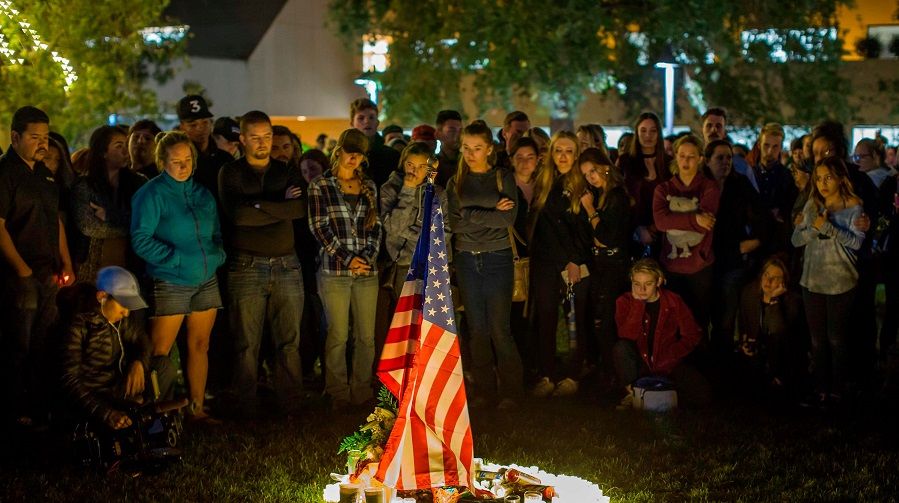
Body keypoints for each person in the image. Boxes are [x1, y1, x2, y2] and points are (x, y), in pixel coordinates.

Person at [130, 130, 226, 423]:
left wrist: (216, 254)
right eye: (175, 161)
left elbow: (215, 231)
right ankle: (155, 412)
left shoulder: (202, 193)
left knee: (200, 345)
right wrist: (174, 259)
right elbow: (140, 238)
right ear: (162, 162)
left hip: (206, 278)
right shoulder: (151, 194)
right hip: (170, 280)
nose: (183, 166)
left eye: (187, 160)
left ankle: (196, 408)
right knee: (161, 350)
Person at [218, 111, 306, 417]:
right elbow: (238, 217)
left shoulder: (286, 170)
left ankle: (291, 406)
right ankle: (246, 408)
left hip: (287, 264)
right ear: (242, 139)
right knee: (245, 344)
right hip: (246, 266)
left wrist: (259, 205)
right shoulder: (230, 173)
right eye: (255, 137)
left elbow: (298, 209)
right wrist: (279, 204)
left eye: (267, 136)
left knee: (289, 342)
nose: (263, 143)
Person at [0, 106, 76, 427]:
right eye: (35, 137)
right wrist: (22, 270)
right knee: (18, 342)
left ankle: (39, 404)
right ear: (15, 137)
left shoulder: (45, 174)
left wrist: (66, 261)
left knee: (44, 341)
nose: (42, 143)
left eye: (45, 137)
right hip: (19, 275)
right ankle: (14, 409)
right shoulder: (5, 174)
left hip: (48, 273)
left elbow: (55, 221)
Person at [447, 120, 523, 409]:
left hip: (497, 256)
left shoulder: (502, 177)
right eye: (466, 148)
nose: (470, 154)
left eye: (477, 148)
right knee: (477, 328)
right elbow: (454, 222)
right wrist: (489, 210)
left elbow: (507, 219)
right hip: (467, 258)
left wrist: (471, 214)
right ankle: (484, 390)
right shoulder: (457, 180)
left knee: (500, 327)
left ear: (489, 149)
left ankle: (512, 391)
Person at [308, 128, 382, 410]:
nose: (354, 157)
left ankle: (362, 390)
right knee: (337, 333)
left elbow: (376, 227)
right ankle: (337, 391)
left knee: (365, 335)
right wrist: (347, 258)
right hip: (334, 271)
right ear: (338, 150)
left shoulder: (369, 187)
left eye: (359, 153)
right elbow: (319, 228)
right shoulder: (320, 185)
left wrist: (367, 258)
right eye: (350, 151)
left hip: (366, 272)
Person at [791, 156, 865, 406]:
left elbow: (856, 243)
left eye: (828, 178)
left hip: (841, 280)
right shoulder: (812, 204)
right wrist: (813, 227)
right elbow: (796, 240)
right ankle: (820, 388)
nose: (822, 183)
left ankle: (838, 389)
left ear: (841, 178)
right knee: (817, 339)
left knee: (836, 338)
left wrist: (829, 228)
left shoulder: (854, 207)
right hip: (812, 280)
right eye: (818, 178)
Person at [528, 131, 592, 397]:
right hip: (545, 261)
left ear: (576, 154)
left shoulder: (582, 185)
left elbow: (585, 228)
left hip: (573, 262)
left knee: (576, 318)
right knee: (546, 318)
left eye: (568, 151)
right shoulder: (543, 182)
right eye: (558, 150)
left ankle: (573, 375)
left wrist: (575, 260)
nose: (563, 156)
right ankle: (547, 374)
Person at [60, 266, 151, 430]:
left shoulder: (122, 322)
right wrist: (106, 413)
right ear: (102, 296)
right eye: (123, 304)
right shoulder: (79, 326)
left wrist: (138, 362)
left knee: (163, 368)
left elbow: (141, 340)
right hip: (91, 400)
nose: (127, 313)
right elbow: (69, 380)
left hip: (116, 392)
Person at [613, 258, 710, 408]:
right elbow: (626, 335)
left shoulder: (673, 301)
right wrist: (638, 305)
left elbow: (692, 334)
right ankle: (632, 392)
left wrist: (673, 353)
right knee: (621, 348)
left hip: (668, 362)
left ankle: (664, 392)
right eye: (637, 284)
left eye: (648, 284)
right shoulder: (624, 301)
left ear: (658, 282)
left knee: (702, 395)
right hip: (640, 362)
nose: (642, 290)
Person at [705, 139, 768, 355]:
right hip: (704, 259)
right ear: (707, 160)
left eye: (729, 157)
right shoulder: (699, 184)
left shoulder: (739, 184)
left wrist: (758, 240)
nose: (725, 162)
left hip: (732, 258)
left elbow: (761, 215)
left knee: (726, 318)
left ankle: (724, 362)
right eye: (719, 158)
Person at [652, 134, 720, 333]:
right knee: (673, 322)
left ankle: (700, 362)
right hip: (671, 265)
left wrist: (680, 219)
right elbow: (661, 222)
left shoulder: (709, 187)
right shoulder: (663, 189)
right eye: (682, 155)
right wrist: (693, 219)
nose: (686, 161)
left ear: (700, 159)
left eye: (691, 156)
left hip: (700, 265)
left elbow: (706, 222)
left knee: (698, 321)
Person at [578, 148, 632, 391]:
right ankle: (605, 369)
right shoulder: (602, 194)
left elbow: (606, 236)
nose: (591, 177)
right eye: (586, 174)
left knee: (608, 319)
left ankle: (614, 374)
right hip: (600, 262)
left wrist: (590, 210)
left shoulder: (616, 196)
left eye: (593, 171)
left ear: (605, 167)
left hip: (614, 264)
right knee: (599, 318)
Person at [71, 125, 147, 283]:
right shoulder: (85, 185)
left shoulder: (139, 183)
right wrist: (129, 226)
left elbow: (145, 223)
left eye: (127, 145)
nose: (126, 151)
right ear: (102, 152)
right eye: (119, 146)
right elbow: (89, 226)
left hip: (130, 265)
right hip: (92, 266)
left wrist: (109, 215)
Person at [737, 257, 806, 393]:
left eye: (775, 278)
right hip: (757, 349)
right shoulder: (750, 292)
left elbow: (778, 330)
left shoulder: (792, 301)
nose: (768, 281)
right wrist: (744, 342)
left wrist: (774, 301)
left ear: (783, 283)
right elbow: (743, 323)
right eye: (766, 275)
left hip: (782, 354)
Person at [618, 112, 672, 260]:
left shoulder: (669, 163)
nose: (648, 135)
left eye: (653, 130)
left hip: (664, 233)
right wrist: (637, 228)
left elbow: (674, 198)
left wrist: (654, 227)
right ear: (637, 132)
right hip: (632, 231)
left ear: (659, 133)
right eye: (643, 130)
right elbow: (619, 198)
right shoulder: (625, 161)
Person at [176, 94, 232, 201]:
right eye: (193, 125)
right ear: (181, 126)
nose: (200, 128)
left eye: (205, 122)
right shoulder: (175, 161)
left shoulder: (225, 159)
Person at [349, 98, 400, 189]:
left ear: (377, 122)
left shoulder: (392, 156)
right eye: (361, 118)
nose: (367, 121)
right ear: (352, 123)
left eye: (371, 117)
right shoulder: (343, 156)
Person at [434, 110, 462, 188]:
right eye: (451, 130)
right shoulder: (432, 165)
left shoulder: (468, 162)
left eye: (460, 130)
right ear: (438, 134)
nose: (458, 135)